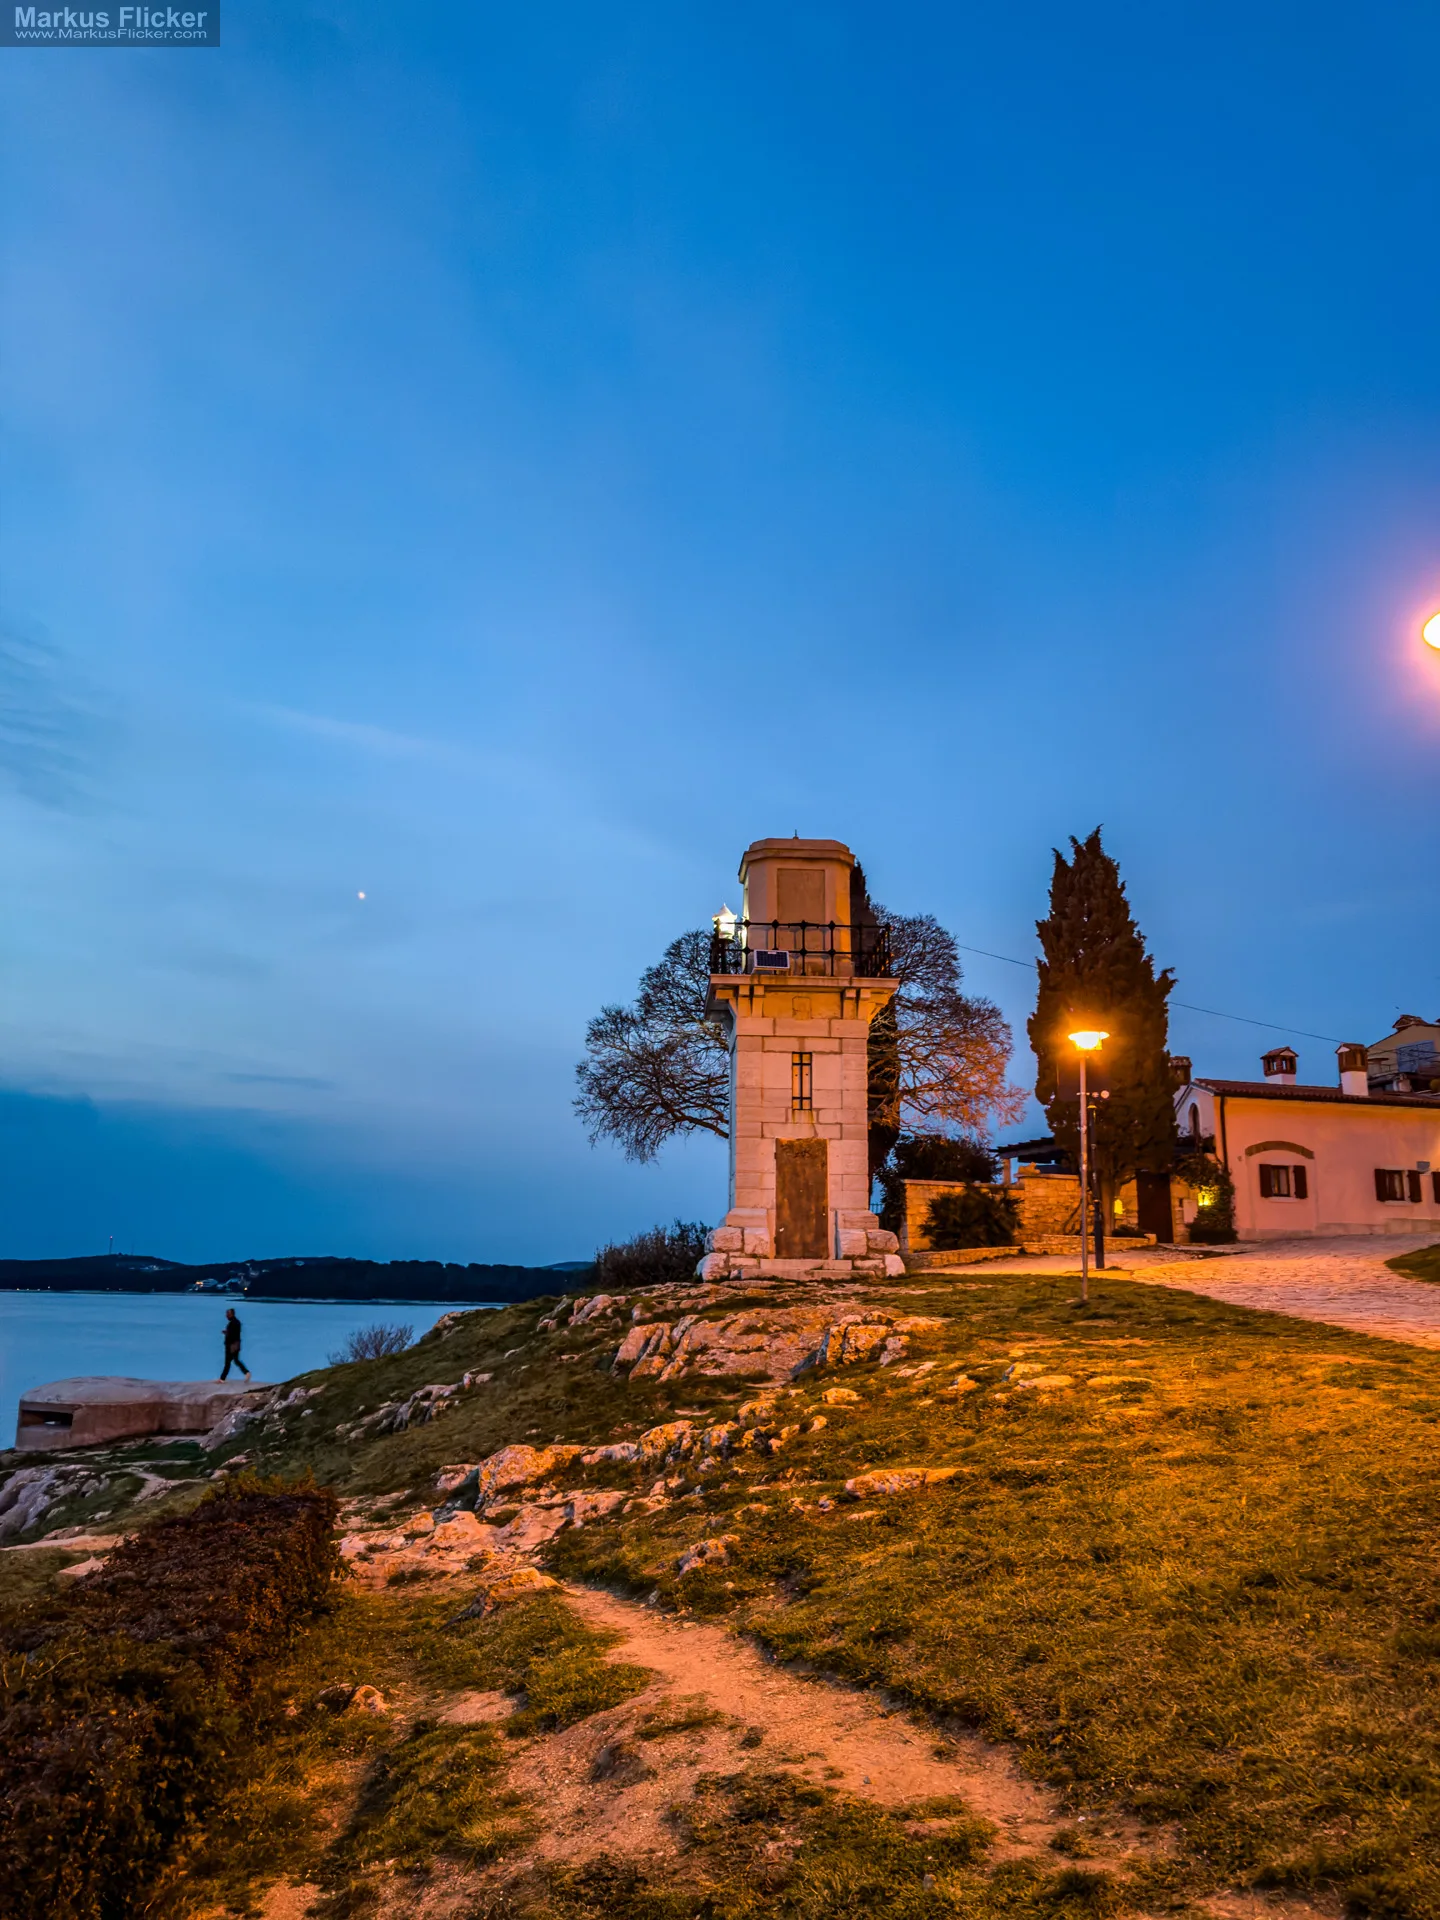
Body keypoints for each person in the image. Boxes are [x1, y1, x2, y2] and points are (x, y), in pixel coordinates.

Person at [219, 1306, 251, 1381]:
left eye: (227, 1314)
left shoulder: (235, 1323)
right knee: (232, 1361)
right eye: (226, 1314)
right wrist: (227, 1333)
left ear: (231, 1314)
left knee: (231, 1361)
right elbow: (233, 1333)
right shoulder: (234, 1322)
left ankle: (222, 1379)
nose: (226, 1316)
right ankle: (222, 1379)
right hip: (232, 1344)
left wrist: (227, 1333)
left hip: (232, 1345)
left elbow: (234, 1334)